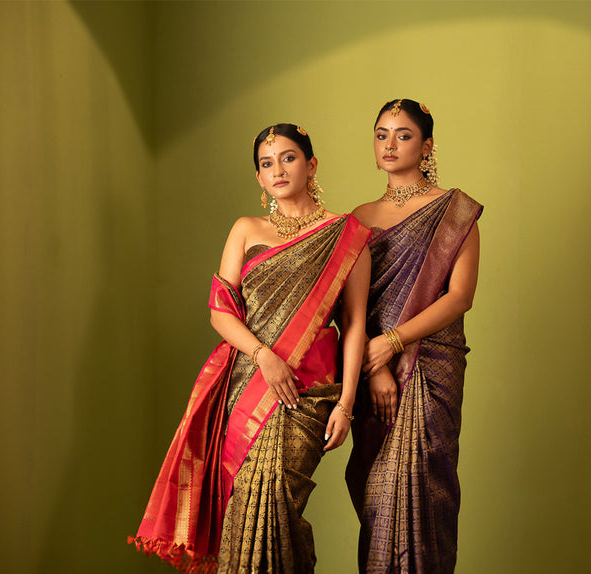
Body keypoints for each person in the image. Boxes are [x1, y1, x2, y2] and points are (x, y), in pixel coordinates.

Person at [129, 123, 372, 573]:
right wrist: (264, 355)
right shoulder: (246, 229)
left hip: (310, 390)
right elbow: (221, 311)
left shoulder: (346, 234)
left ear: (311, 164)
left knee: (276, 496)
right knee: (244, 500)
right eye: (266, 163)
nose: (277, 169)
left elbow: (355, 323)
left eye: (288, 157)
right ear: (259, 179)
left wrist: (347, 403)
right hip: (247, 384)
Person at [345, 100, 483, 573]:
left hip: (429, 365)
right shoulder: (358, 218)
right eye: (381, 134)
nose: (389, 144)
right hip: (370, 368)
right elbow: (350, 308)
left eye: (402, 135)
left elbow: (459, 296)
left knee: (422, 483)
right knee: (379, 496)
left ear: (426, 146)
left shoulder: (455, 211)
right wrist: (376, 361)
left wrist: (395, 343)